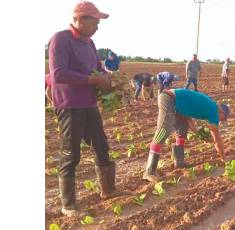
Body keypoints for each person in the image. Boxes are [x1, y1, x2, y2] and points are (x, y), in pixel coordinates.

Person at [48, 1, 121, 217]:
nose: (97, 26)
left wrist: (105, 74)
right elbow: (58, 74)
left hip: (89, 104)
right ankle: (68, 205)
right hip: (69, 105)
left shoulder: (89, 43)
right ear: (79, 19)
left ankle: (108, 190)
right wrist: (93, 80)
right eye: (94, 21)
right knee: (71, 152)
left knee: (101, 145)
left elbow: (96, 66)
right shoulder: (60, 39)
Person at [143, 88, 231, 182]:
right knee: (164, 130)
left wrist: (198, 133)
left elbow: (187, 116)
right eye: (223, 118)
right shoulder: (214, 111)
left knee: (182, 130)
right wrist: (224, 158)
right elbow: (216, 138)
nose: (221, 121)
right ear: (221, 112)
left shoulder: (209, 106)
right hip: (169, 99)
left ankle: (179, 162)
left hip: (177, 106)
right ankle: (150, 171)